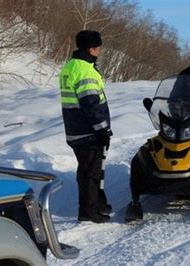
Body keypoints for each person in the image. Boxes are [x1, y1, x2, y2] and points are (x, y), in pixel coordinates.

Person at [59, 30, 112, 223]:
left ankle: (97, 204)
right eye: (98, 47)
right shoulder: (85, 70)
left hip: (74, 129)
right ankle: (89, 211)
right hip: (87, 131)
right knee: (91, 173)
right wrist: (102, 129)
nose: (100, 51)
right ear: (91, 48)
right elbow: (90, 104)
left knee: (88, 170)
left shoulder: (70, 67)